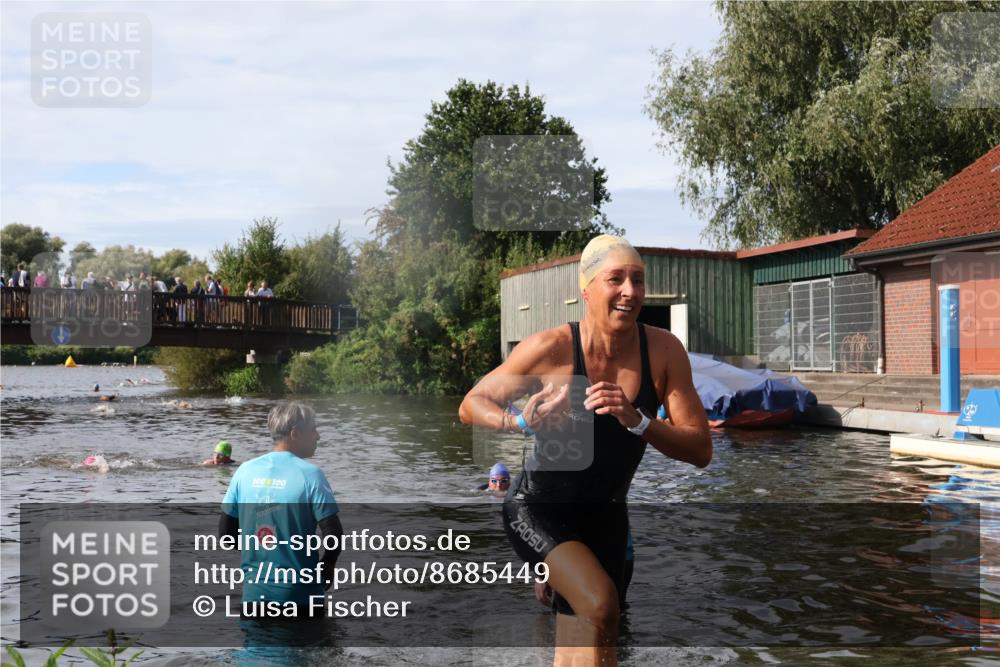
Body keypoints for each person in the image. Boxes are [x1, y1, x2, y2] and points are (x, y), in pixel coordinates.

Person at [459, 234, 711, 666]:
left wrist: (639, 421)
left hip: (608, 517)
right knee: (601, 606)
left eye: (638, 279)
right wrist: (519, 421)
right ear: (587, 290)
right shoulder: (552, 349)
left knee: (586, 644)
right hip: (539, 510)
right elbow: (471, 404)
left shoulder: (664, 350)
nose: (630, 291)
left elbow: (700, 448)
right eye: (616, 279)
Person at [220, 401, 343, 612]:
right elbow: (333, 533)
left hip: (254, 598)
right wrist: (328, 565)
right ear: (295, 433)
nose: (318, 436)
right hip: (301, 598)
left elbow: (226, 535)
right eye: (313, 428)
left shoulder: (244, 471)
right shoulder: (311, 475)